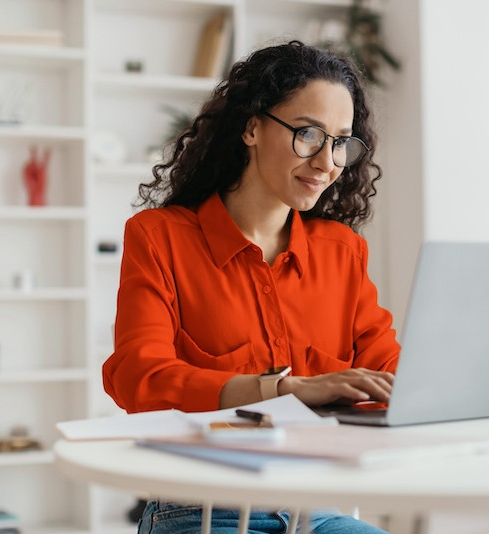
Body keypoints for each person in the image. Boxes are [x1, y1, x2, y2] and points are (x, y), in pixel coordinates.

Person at [103, 41, 399, 534]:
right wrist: (283, 391)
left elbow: (388, 372)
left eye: (341, 142)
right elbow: (139, 376)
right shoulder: (160, 237)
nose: (327, 162)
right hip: (198, 510)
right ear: (251, 127)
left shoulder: (341, 251)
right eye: (309, 134)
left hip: (317, 507)